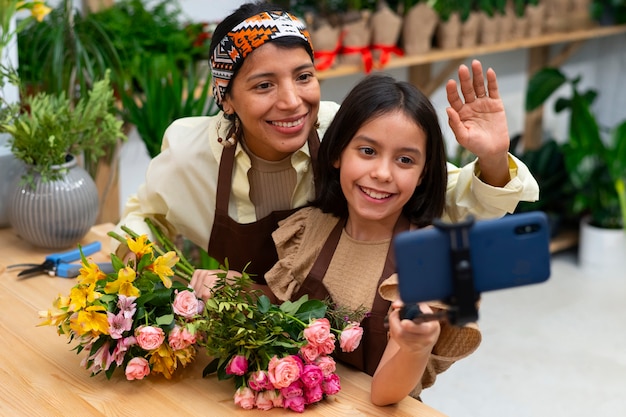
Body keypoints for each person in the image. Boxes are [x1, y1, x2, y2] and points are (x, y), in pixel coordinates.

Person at [113, 2, 538, 287]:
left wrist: (493, 157)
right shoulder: (190, 153)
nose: (292, 101)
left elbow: (445, 194)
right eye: (264, 84)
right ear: (226, 97)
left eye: (303, 76)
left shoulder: (346, 129)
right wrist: (169, 280)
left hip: (335, 329)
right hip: (241, 326)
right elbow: (145, 218)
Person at [264, 73, 480, 406]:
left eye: (405, 160)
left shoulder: (429, 260)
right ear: (337, 153)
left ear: (423, 174)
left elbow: (385, 395)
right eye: (367, 151)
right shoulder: (311, 227)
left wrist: (416, 346)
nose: (382, 173)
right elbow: (279, 318)